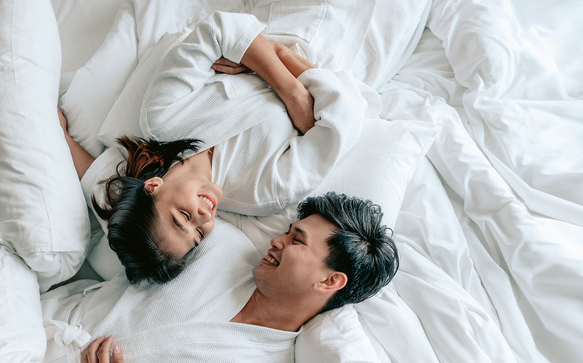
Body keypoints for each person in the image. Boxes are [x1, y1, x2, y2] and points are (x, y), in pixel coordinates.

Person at [38, 192, 399, 363]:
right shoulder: (218, 243)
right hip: (31, 319)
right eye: (287, 232)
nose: (277, 240)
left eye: (297, 241)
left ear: (329, 280)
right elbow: (125, 219)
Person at [61, 10, 372, 285]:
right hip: (348, 49)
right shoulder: (265, 191)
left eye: (182, 216)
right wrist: (278, 59)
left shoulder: (164, 117)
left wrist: (291, 90)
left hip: (284, 14)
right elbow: (345, 118)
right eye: (197, 236)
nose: (204, 218)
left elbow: (220, 29)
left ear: (153, 186)